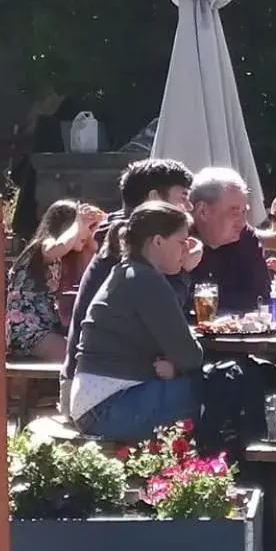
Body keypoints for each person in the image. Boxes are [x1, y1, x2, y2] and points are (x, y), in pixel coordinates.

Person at [61, 159, 197, 406]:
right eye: (183, 197)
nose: (190, 207)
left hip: (102, 385)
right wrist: (181, 271)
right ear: (154, 198)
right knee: (215, 388)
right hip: (103, 391)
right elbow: (171, 326)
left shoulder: (129, 246)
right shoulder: (128, 256)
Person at [69, 202, 204, 440]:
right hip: (110, 407)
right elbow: (190, 356)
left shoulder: (128, 272)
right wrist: (178, 366)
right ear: (158, 241)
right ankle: (226, 468)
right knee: (220, 387)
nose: (186, 250)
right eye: (181, 242)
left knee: (217, 383)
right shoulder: (145, 280)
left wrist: (175, 367)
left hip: (97, 406)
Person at [6, 199, 101, 360]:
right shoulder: (44, 245)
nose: (84, 232)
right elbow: (57, 247)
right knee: (77, 358)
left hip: (50, 329)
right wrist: (78, 223)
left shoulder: (69, 260)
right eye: (78, 227)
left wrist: (94, 225)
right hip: (28, 331)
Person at [188, 167, 271, 314]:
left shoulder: (246, 238)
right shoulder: (176, 241)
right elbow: (172, 301)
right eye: (234, 212)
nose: (242, 222)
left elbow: (261, 298)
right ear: (203, 211)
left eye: (244, 212)